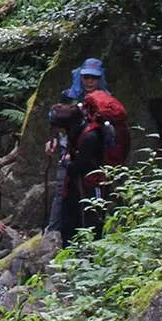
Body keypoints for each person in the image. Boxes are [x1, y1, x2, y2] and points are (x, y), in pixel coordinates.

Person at [45, 58, 108, 233]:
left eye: (93, 78)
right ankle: (54, 233)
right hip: (69, 151)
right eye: (86, 77)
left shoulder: (104, 101)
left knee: (93, 196)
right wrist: (55, 140)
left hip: (93, 156)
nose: (89, 81)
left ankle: (93, 237)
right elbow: (60, 121)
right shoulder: (69, 96)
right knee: (62, 192)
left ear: (99, 78)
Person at [48, 102, 106, 245]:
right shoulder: (78, 127)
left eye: (62, 129)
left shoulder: (89, 137)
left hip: (91, 182)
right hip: (76, 182)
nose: (61, 132)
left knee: (92, 219)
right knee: (70, 217)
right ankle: (69, 249)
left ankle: (91, 252)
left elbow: (78, 166)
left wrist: (66, 162)